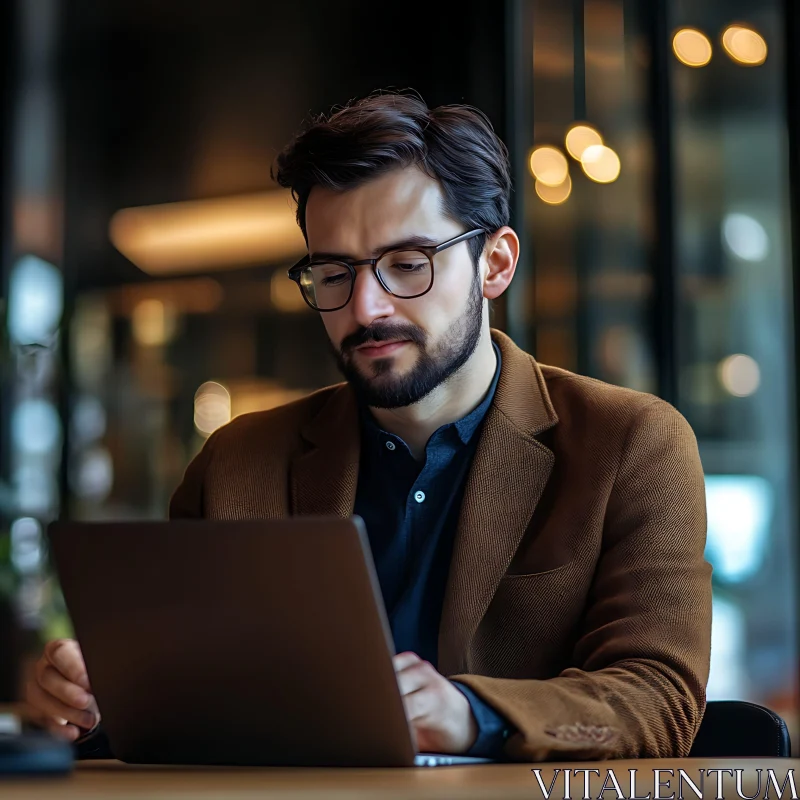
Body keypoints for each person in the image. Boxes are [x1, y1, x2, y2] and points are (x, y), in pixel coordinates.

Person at [25, 91, 712, 762]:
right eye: (332, 273)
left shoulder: (631, 444)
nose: (366, 306)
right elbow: (186, 703)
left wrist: (471, 715)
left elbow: (660, 697)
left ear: (495, 263)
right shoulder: (238, 461)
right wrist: (93, 704)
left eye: (407, 265)